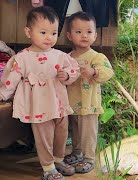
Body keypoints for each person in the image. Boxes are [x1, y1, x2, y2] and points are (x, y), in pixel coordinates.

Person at [0, 6, 79, 180]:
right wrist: (3, 94)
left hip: (58, 102)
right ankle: (48, 167)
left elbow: (74, 69)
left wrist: (66, 75)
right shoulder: (22, 57)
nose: (49, 37)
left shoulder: (60, 56)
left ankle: (58, 159)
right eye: (43, 32)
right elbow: (10, 78)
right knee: (44, 136)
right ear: (28, 32)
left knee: (62, 132)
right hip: (37, 105)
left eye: (53, 33)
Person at [63, 11, 114, 173]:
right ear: (69, 35)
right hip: (72, 103)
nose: (84, 35)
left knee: (88, 132)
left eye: (89, 32)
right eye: (79, 32)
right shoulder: (67, 57)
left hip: (89, 104)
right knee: (76, 131)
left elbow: (108, 72)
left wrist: (94, 72)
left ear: (95, 35)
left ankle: (89, 158)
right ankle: (77, 152)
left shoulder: (97, 57)